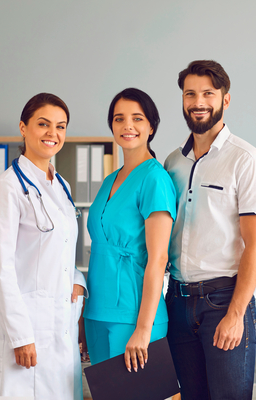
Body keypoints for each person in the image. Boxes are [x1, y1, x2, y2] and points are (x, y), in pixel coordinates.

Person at [163, 60, 256, 400]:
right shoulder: (172, 163)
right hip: (178, 302)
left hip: (223, 301)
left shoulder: (247, 161)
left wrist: (236, 314)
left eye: (208, 94)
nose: (198, 102)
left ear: (225, 100)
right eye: (190, 94)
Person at [0, 93, 87, 399]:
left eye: (61, 126)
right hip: (23, 331)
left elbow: (62, 253)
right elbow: (0, 269)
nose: (53, 133)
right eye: (43, 124)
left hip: (59, 327)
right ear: (24, 128)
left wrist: (77, 283)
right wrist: (21, 336)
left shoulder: (60, 185)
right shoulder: (8, 188)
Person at [84, 88, 176, 372]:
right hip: (97, 312)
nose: (127, 126)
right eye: (119, 118)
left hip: (134, 316)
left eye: (137, 118)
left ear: (151, 126)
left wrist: (143, 329)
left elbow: (158, 259)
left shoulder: (154, 179)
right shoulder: (110, 179)